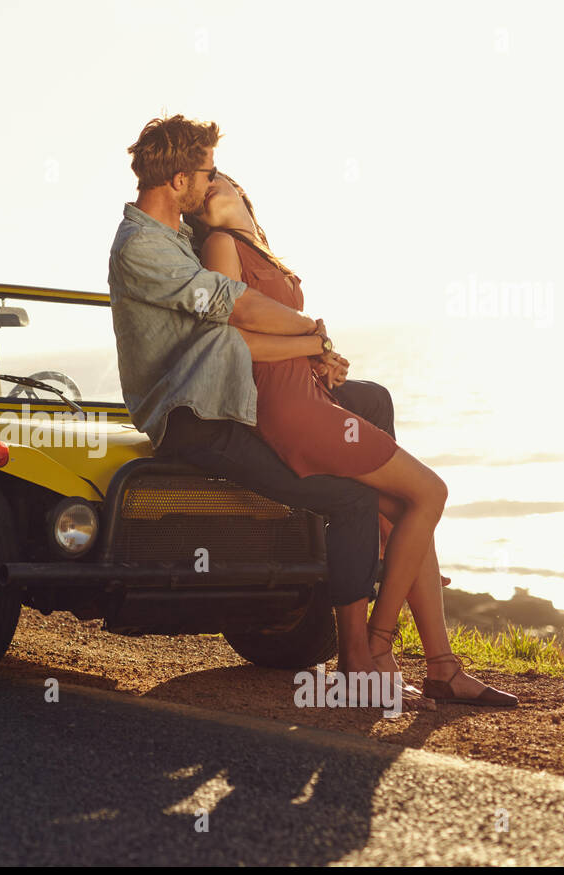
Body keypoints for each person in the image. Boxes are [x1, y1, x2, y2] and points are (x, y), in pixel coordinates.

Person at [107, 114, 515, 707]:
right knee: (356, 497)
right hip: (196, 417)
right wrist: (313, 337)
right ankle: (360, 656)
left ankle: (424, 635)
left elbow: (239, 317)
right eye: (206, 172)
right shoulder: (144, 245)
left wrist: (314, 350)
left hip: (232, 395)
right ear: (177, 180)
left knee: (373, 403)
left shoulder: (178, 236)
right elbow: (231, 309)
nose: (215, 180)